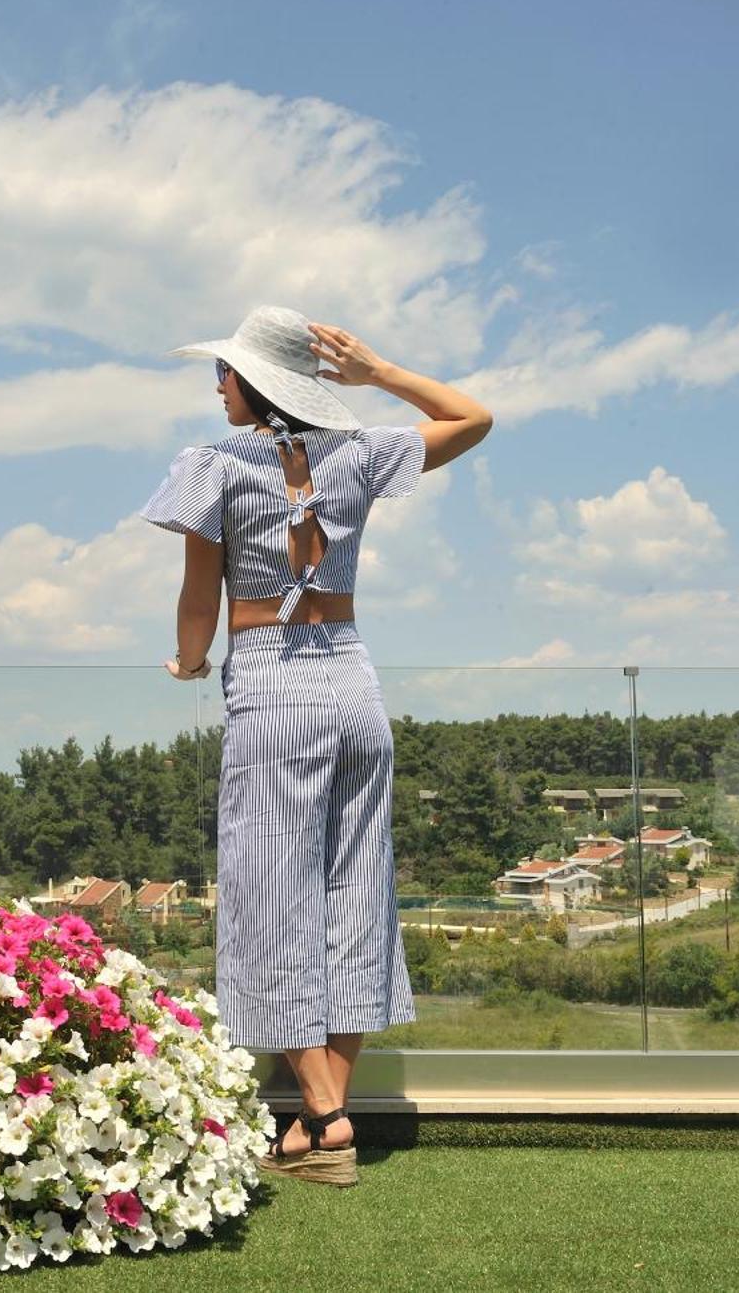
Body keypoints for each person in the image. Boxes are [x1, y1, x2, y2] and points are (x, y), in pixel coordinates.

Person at [140, 305, 492, 1187]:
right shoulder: (361, 451)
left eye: (223, 371)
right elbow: (473, 418)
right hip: (355, 686)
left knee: (269, 896)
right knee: (354, 887)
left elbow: (199, 598)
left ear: (255, 384)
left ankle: (328, 1115)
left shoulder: (212, 465)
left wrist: (188, 664)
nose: (215, 384)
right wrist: (378, 372)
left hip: (271, 684)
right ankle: (316, 1118)